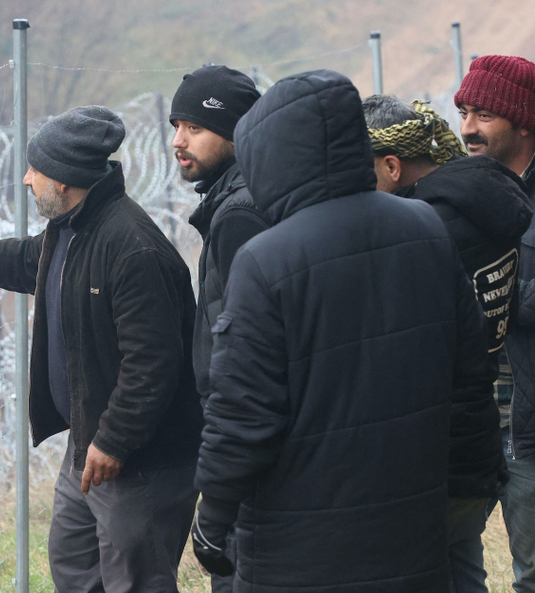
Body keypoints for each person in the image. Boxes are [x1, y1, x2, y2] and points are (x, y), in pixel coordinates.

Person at [191, 69, 493, 593]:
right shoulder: (424, 228)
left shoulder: (267, 259)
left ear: (272, 155)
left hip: (297, 548)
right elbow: (469, 372)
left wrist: (212, 517)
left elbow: (243, 412)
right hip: (411, 527)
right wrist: (467, 484)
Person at [0, 105, 202, 593]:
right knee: (74, 565)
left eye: (34, 170)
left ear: (63, 181)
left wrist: (113, 441)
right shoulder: (75, 228)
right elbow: (30, 261)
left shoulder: (131, 249)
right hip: (90, 446)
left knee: (137, 581)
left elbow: (153, 364)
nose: (25, 180)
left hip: (139, 460)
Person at [364, 94, 530, 592]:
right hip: (474, 433)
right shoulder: (478, 202)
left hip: (438, 443)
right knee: (463, 565)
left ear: (392, 166)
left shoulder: (424, 230)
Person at [169, 64, 264, 593]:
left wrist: (225, 447)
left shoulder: (240, 213)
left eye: (194, 128)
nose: (179, 142)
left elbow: (244, 347)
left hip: (239, 437)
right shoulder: (233, 200)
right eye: (175, 126)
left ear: (235, 131)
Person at [456, 54, 535, 593]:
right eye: (463, 112)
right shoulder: (463, 195)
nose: (467, 129)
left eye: (483, 114)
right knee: (445, 558)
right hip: (476, 421)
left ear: (523, 121)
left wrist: (490, 298)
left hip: (528, 429)